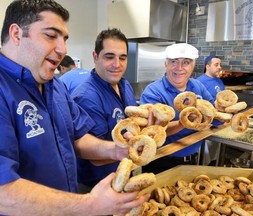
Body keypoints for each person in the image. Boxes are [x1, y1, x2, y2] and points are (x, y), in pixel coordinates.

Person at [0, 1, 149, 215]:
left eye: (64, 39)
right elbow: (3, 192)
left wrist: (117, 150)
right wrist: (89, 205)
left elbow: (78, 138)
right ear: (16, 34)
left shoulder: (54, 86)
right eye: (51, 36)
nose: (63, 49)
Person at [72, 28, 138, 192]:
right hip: (97, 186)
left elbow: (133, 125)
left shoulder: (125, 85)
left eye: (122, 58)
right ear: (95, 57)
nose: (117, 64)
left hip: (124, 175)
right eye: (109, 57)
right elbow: (95, 158)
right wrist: (135, 150)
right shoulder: (87, 97)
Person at [140, 43, 214, 174]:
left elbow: (213, 112)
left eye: (186, 62)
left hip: (193, 159)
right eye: (174, 62)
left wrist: (227, 113)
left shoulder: (197, 86)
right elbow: (151, 131)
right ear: (166, 64)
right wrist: (183, 122)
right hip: (161, 160)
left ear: (193, 66)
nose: (179, 68)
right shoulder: (153, 92)